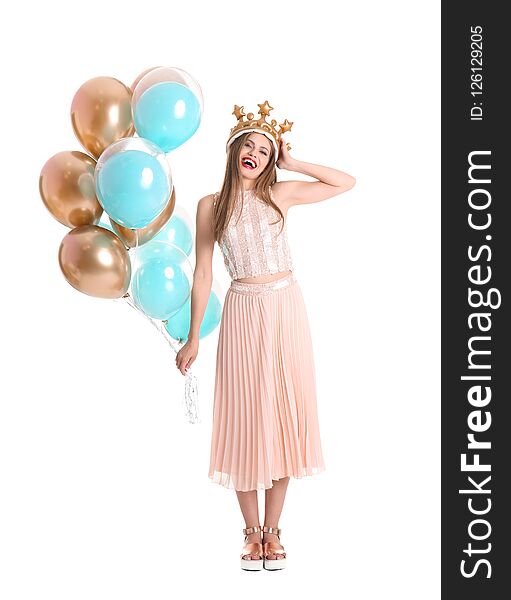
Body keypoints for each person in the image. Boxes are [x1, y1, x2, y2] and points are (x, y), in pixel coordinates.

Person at [175, 101, 356, 571]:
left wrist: (294, 162)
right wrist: (194, 337)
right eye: (248, 145)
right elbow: (202, 275)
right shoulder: (210, 206)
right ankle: (250, 532)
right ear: (234, 150)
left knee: (283, 413)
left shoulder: (281, 193)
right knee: (244, 414)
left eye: (264, 149)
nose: (255, 153)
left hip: (284, 308)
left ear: (271, 159)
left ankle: (274, 531)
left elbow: (345, 182)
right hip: (242, 310)